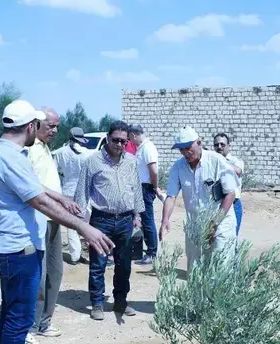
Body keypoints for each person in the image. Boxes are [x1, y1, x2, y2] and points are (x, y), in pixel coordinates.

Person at [0, 99, 114, 344]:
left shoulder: (3, 152)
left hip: (15, 245)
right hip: (17, 248)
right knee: (19, 316)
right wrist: (84, 227)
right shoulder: (9, 157)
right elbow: (37, 200)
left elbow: (37, 190)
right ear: (29, 127)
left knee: (14, 312)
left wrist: (62, 199)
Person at [74, 120, 144, 321]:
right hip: (101, 220)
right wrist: (81, 223)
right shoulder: (93, 161)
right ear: (107, 138)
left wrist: (137, 216)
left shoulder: (131, 161)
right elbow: (82, 192)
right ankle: (97, 302)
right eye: (116, 140)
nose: (119, 145)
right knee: (98, 264)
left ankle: (120, 301)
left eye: (123, 141)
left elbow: (137, 190)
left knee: (124, 265)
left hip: (125, 220)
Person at [159, 126, 238, 272]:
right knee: (195, 271)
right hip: (195, 224)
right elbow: (171, 196)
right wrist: (165, 220)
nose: (185, 153)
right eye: (181, 149)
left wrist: (214, 223)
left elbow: (230, 194)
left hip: (221, 223)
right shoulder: (178, 167)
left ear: (199, 143)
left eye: (188, 147)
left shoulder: (216, 161)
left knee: (221, 269)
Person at [24, 107, 63, 344]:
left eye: (57, 126)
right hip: (37, 220)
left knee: (55, 271)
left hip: (54, 218)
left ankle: (44, 322)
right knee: (36, 276)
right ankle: (28, 327)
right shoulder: (28, 150)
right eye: (50, 126)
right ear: (36, 124)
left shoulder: (44, 148)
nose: (55, 131)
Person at [53, 127, 92, 265]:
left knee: (71, 225)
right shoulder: (88, 154)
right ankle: (92, 253)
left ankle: (75, 256)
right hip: (84, 192)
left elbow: (55, 172)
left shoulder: (60, 153)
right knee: (87, 223)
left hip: (67, 191)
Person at [128, 123, 164, 265]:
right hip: (140, 187)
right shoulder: (142, 148)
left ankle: (152, 253)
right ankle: (148, 250)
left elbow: (153, 171)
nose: (130, 141)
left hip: (146, 188)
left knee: (147, 221)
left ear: (134, 135)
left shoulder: (148, 148)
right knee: (143, 220)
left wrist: (155, 187)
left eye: (130, 138)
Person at [213, 132, 245, 236]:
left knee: (231, 238)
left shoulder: (236, 161)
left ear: (228, 146)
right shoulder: (212, 162)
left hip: (233, 204)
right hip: (216, 204)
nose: (219, 147)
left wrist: (221, 161)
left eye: (222, 144)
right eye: (216, 145)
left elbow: (238, 171)